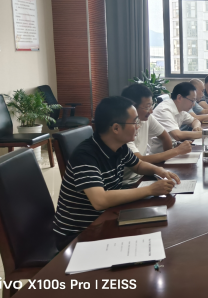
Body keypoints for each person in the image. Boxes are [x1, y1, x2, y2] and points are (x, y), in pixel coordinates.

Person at [53, 96, 180, 250]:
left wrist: (159, 170)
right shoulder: (85, 155)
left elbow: (138, 165)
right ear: (116, 128)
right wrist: (150, 190)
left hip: (106, 217)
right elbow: (100, 200)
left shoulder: (119, 146)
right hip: (79, 233)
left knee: (161, 230)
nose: (138, 126)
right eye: (135, 122)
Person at [120, 84, 193, 186]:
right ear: (132, 107)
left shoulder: (147, 118)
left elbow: (164, 136)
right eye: (147, 107)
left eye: (151, 105)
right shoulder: (123, 130)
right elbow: (138, 160)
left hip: (142, 174)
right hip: (128, 182)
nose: (151, 111)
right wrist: (176, 151)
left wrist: (165, 164)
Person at [151, 82, 206, 153]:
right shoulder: (164, 110)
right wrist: (205, 133)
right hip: (157, 155)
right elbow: (177, 135)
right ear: (179, 98)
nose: (193, 104)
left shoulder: (180, 109)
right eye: (192, 100)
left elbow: (195, 120)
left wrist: (196, 127)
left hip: (171, 150)